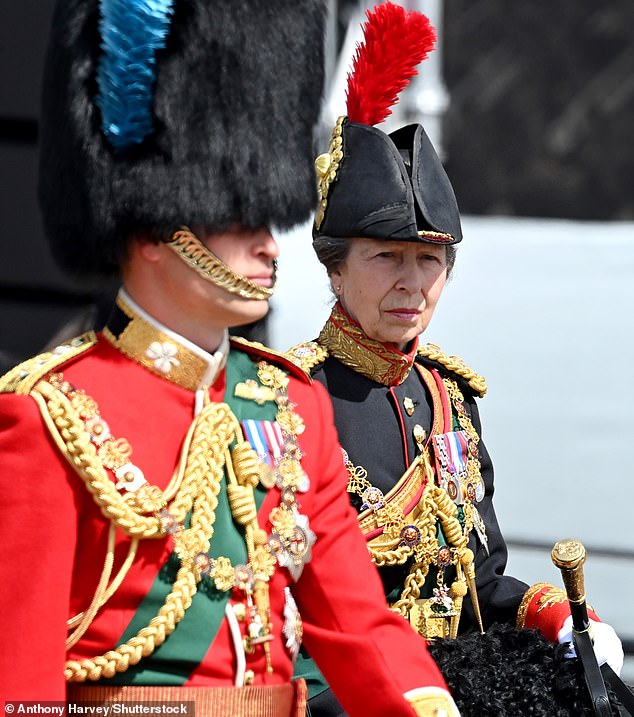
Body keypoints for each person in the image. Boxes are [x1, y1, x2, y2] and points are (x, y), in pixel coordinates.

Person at [0, 1, 461, 715]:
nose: (271, 243)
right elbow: (19, 684)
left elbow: (359, 626)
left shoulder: (290, 402)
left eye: (268, 216)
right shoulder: (46, 414)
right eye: (238, 218)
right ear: (155, 223)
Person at [286, 3, 625, 715]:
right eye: (386, 258)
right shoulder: (291, 399)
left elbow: (481, 579)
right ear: (335, 268)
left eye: (430, 259)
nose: (413, 282)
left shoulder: (449, 399)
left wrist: (557, 618)